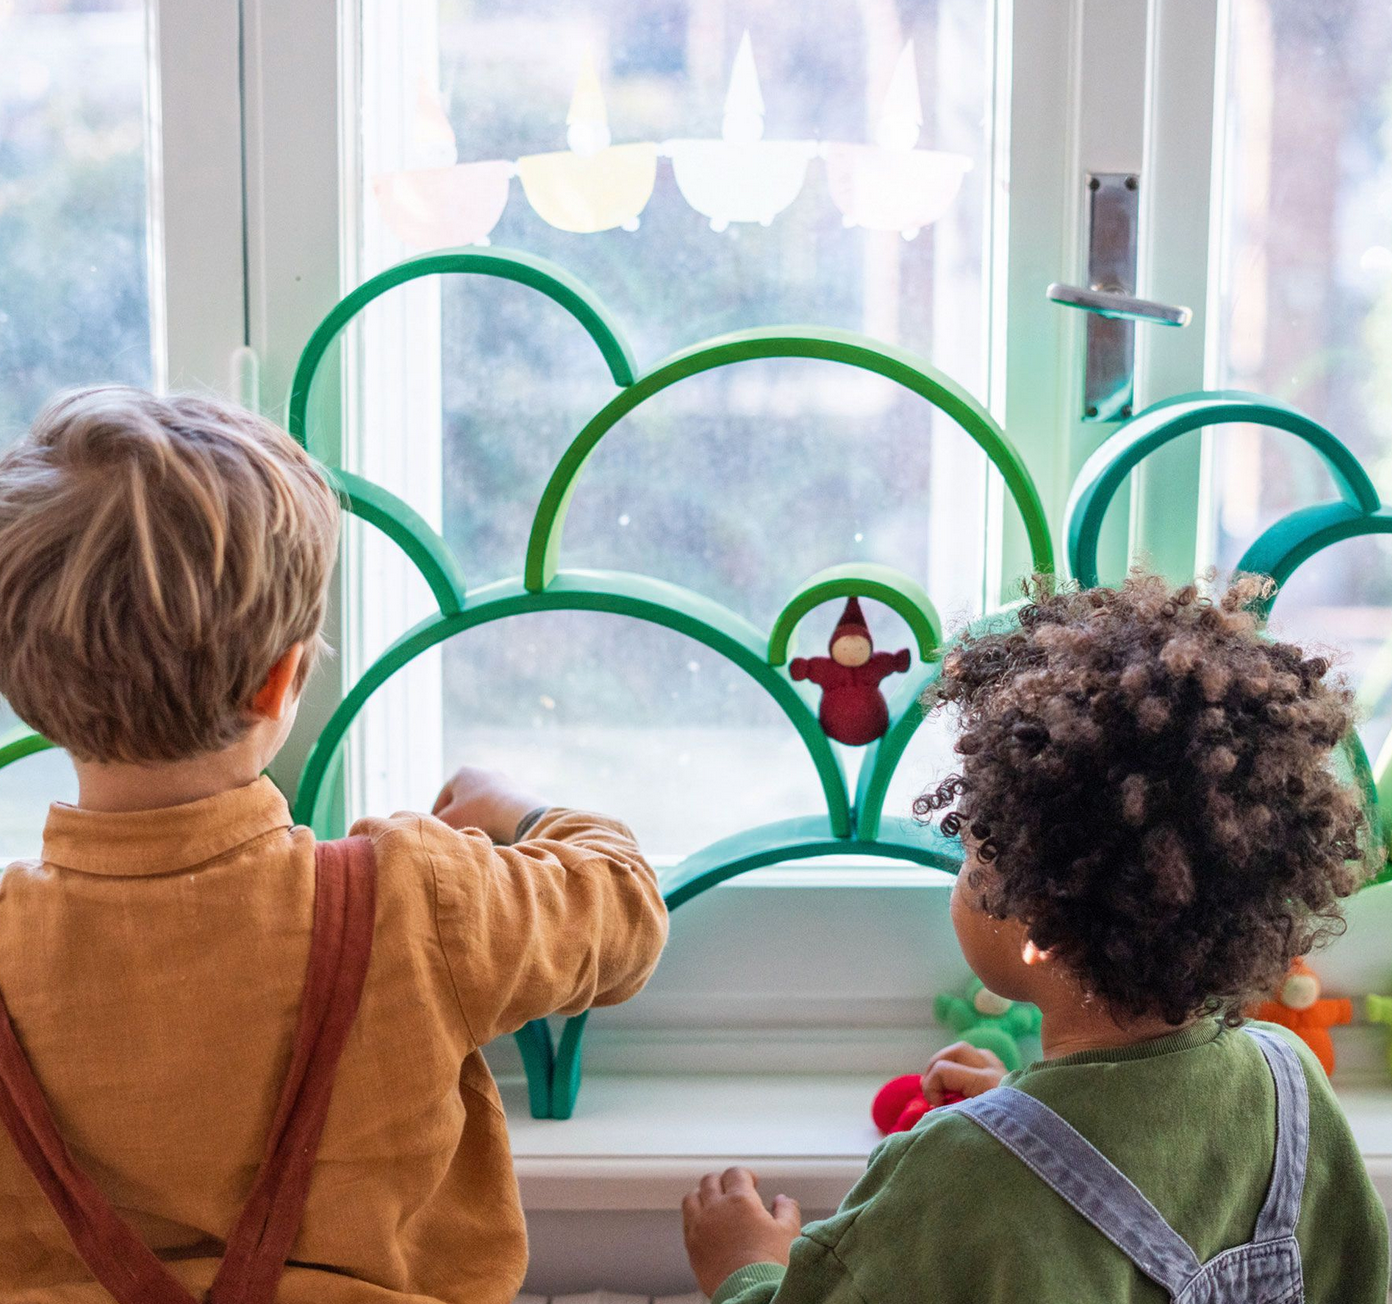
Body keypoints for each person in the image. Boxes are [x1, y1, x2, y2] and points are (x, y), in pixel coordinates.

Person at [0, 386, 668, 1303]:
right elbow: (626, 905)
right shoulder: (414, 896)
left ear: (24, 689)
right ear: (282, 683)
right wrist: (516, 810)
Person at [683, 573, 1389, 1303]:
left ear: (1039, 929)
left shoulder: (954, 1177)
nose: (959, 875)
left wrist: (745, 1268)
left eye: (973, 856)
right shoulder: (1293, 1085)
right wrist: (1029, 1125)